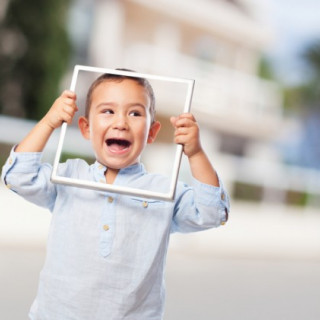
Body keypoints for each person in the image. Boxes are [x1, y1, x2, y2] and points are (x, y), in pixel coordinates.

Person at [1, 71, 230, 320]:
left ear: (151, 132)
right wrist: (49, 122)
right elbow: (17, 177)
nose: (121, 122)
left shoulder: (163, 190)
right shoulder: (69, 175)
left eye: (135, 113)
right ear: (86, 128)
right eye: (108, 111)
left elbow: (212, 213)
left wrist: (196, 153)